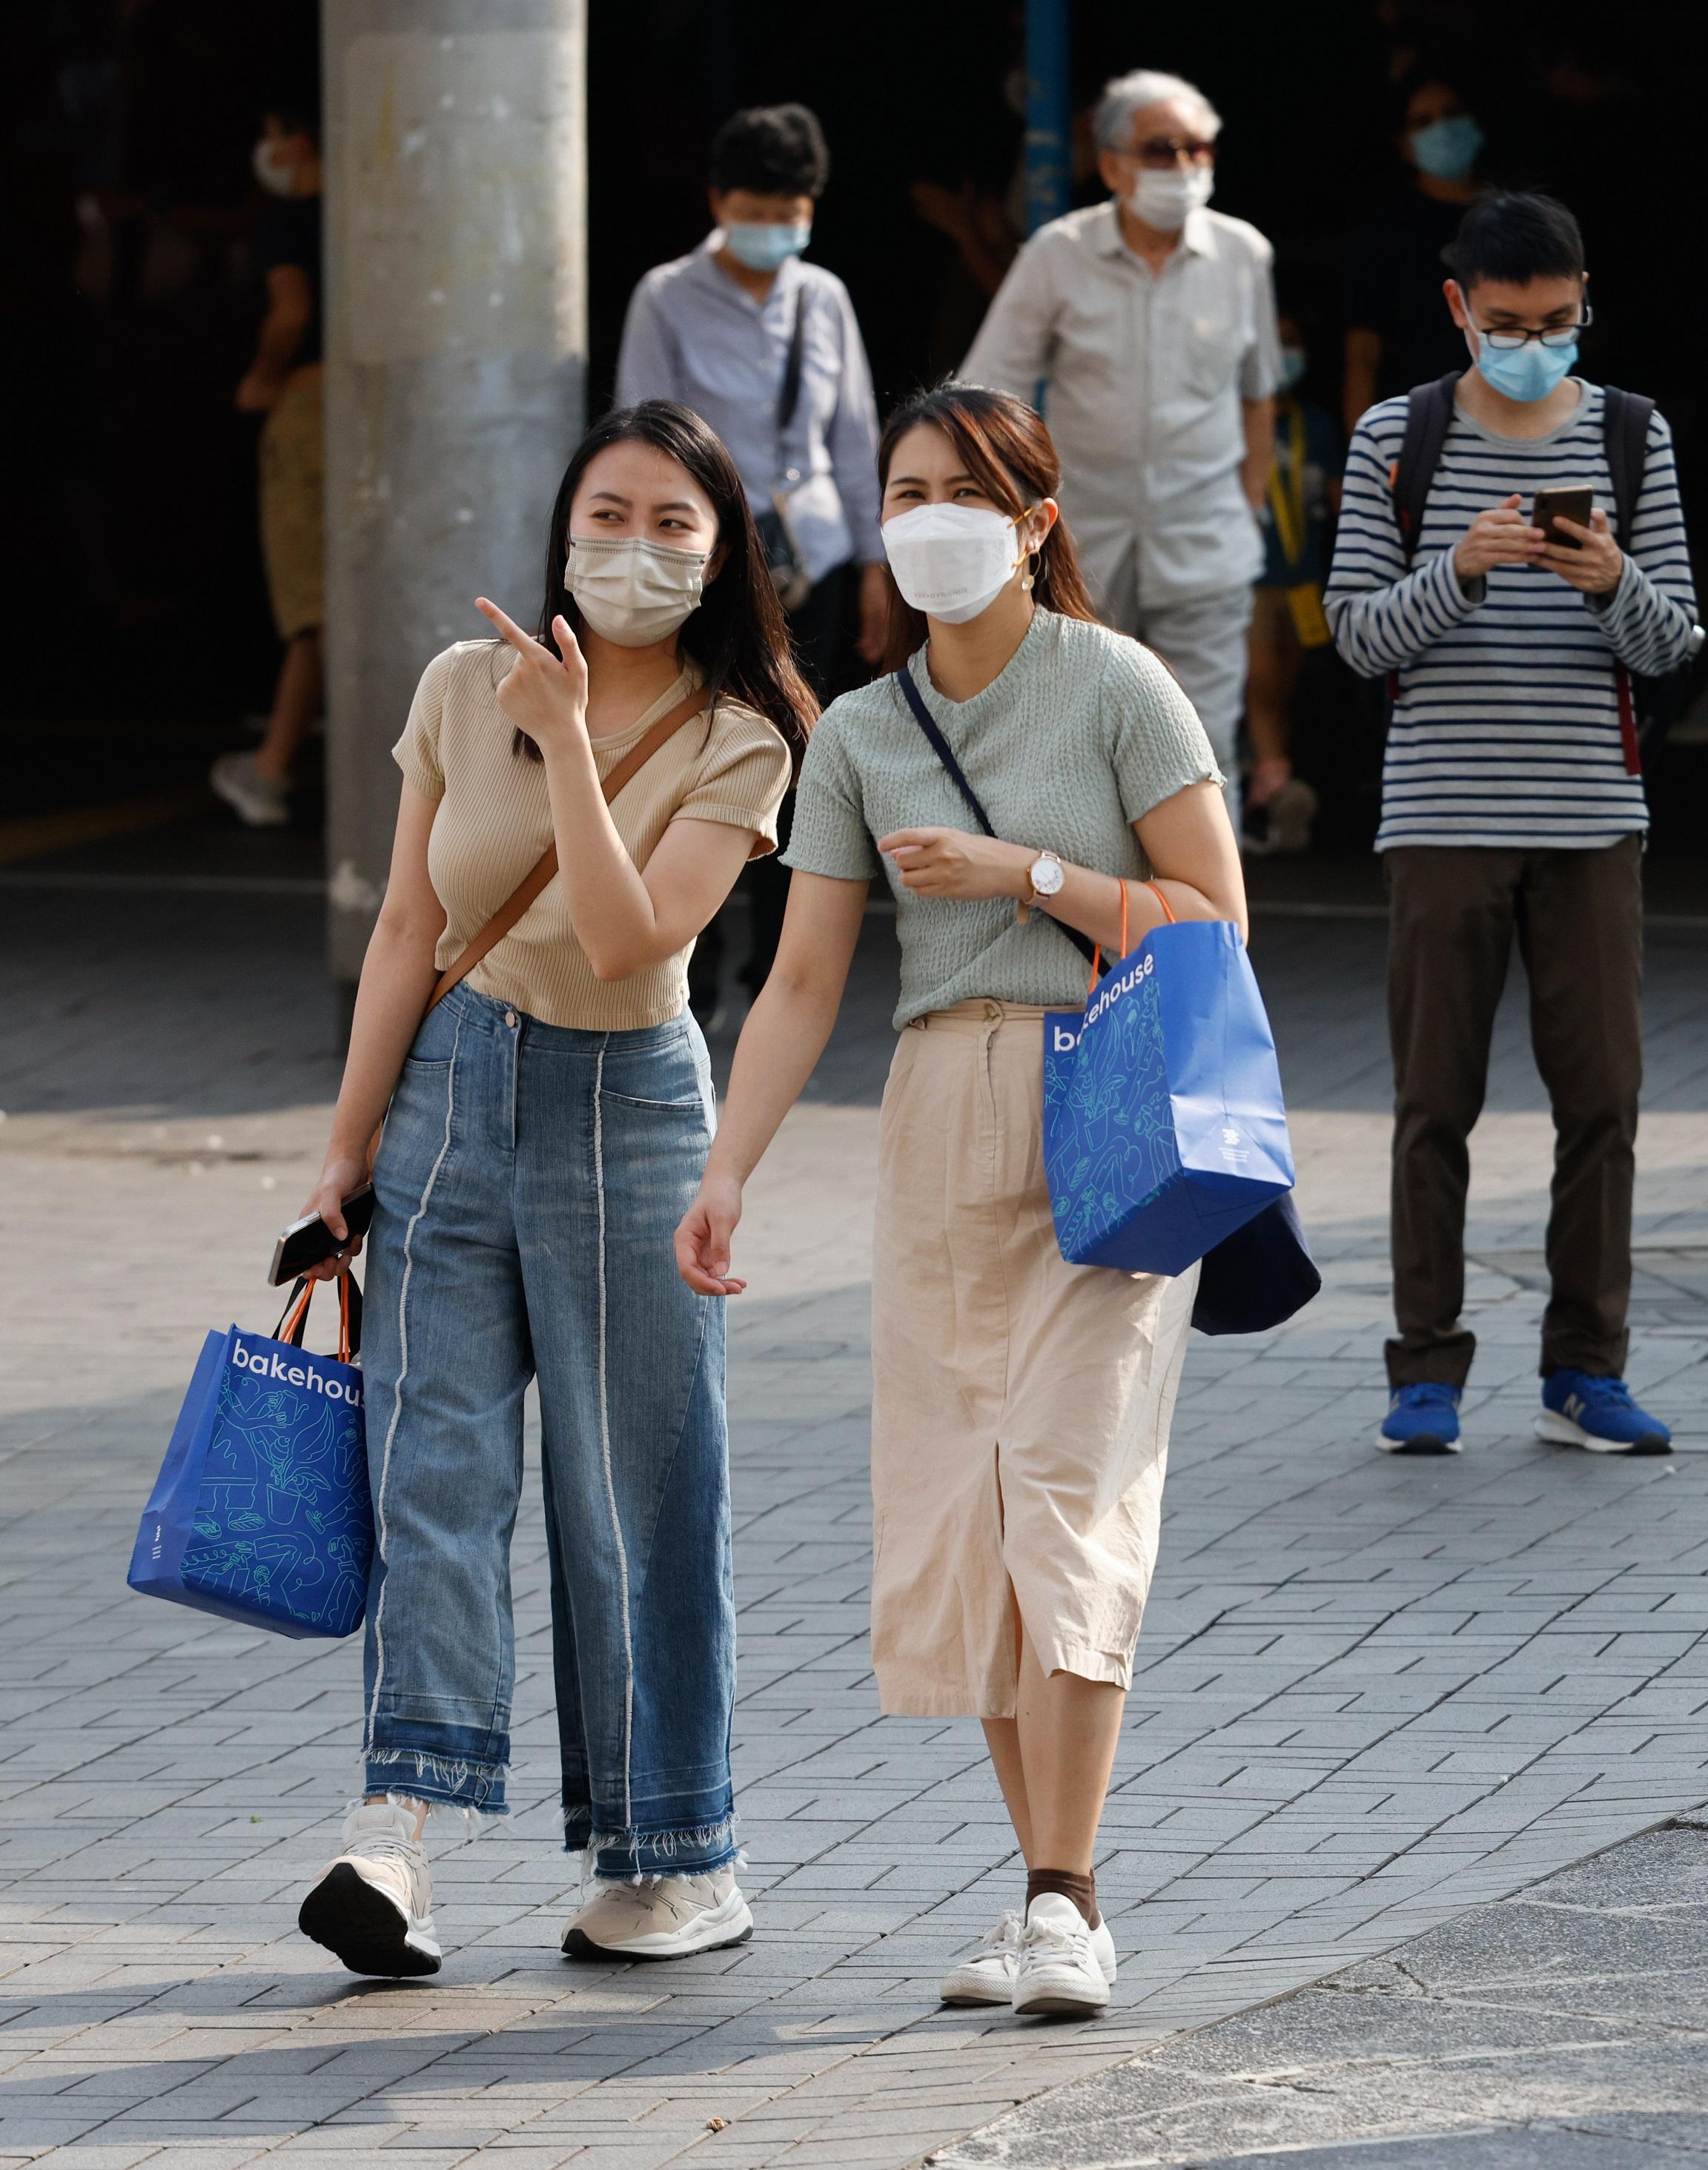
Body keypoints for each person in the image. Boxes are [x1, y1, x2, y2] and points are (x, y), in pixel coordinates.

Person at [673, 383, 1246, 2019]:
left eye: (964, 492)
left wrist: (1027, 875)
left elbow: (1217, 918)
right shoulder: (858, 729)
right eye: (905, 490)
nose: (928, 518)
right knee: (971, 1519)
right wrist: (728, 1167)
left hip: (1107, 1105)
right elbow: (799, 982)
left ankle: (1066, 1897)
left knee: (1065, 1488)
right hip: (937, 1114)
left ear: (1035, 522)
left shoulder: (1117, 684)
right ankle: (1045, 1886)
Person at [281, 401, 810, 1977]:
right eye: (608, 512)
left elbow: (632, 934)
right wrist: (347, 1144)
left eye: (672, 523)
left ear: (721, 552)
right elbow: (406, 927)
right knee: (428, 1469)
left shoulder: (745, 732)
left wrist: (571, 742)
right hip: (451, 1090)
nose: (633, 545)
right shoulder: (461, 685)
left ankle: (677, 1856)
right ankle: (394, 1834)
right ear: (564, 525)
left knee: (633, 1491)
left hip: (626, 1107)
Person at [1325, 191, 1698, 1460]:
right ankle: (1423, 1365)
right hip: (1440, 814)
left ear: (1585, 302)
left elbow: (1675, 642)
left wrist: (1612, 580)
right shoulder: (1397, 435)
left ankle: (1585, 1368)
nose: (1534, 344)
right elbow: (1353, 632)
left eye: (1556, 321)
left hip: (1593, 817)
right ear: (1458, 309)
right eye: (1507, 323)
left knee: (1603, 1102)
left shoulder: (1634, 434)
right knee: (1434, 1100)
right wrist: (1460, 568)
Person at [616, 102, 890, 1013]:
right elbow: (642, 435)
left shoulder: (825, 297)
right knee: (686, 750)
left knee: (802, 757)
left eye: (790, 212)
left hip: (814, 561)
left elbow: (854, 439)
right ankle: (681, 971)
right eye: (757, 209)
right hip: (704, 565)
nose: (774, 227)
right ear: (718, 201)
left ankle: (777, 968)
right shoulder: (665, 295)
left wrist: (877, 566)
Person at [962, 68, 1277, 785]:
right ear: (1111, 166)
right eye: (1161, 149)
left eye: (1198, 149)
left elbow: (1259, 395)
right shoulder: (1057, 253)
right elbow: (987, 396)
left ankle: (1207, 869)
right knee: (1076, 743)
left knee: (1204, 750)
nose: (1184, 166)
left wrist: (1250, 507)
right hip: (1084, 546)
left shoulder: (1243, 254)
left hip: (1206, 539)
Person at [214, 106, 325, 830]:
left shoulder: (288, 222)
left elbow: (289, 312)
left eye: (271, 133)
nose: (266, 149)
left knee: (312, 603)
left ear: (301, 139)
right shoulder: (376, 220)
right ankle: (273, 762)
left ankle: (273, 767)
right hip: (377, 412)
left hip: (310, 406)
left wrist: (260, 378)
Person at [1338, 71, 1485, 431]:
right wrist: (1363, 449)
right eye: (1423, 121)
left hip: (1520, 424)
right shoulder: (1381, 236)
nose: (1442, 128)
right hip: (1420, 431)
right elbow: (1363, 355)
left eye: (1452, 113)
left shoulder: (1521, 220)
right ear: (1404, 144)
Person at [1243, 311, 1337, 856]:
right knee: (1258, 681)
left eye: (1292, 340)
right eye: (1273, 342)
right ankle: (1274, 780)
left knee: (1286, 685)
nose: (1284, 352)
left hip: (1305, 580)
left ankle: (1268, 780)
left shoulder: (1316, 424)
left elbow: (1340, 497)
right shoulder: (1237, 419)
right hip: (1251, 578)